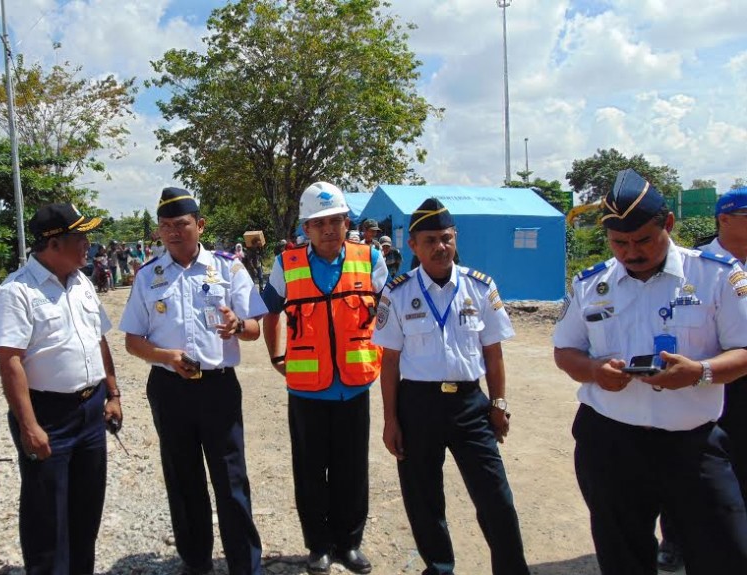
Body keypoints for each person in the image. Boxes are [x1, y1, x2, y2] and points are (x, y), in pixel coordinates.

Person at [553, 169, 747, 575]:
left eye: (643, 240)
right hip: (610, 443)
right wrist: (592, 369)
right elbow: (564, 350)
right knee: (623, 557)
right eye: (619, 242)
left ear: (669, 225)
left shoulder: (716, 275)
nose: (631, 252)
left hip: (691, 447)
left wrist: (700, 372)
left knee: (725, 554)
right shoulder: (591, 283)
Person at [372, 198, 530, 575]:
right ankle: (440, 567)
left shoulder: (479, 287)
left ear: (455, 238)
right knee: (423, 498)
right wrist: (391, 420)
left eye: (446, 238)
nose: (440, 247)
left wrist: (499, 403)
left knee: (496, 497)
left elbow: (493, 354)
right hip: (418, 406)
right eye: (430, 240)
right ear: (413, 246)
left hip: (469, 405)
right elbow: (389, 362)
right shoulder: (396, 292)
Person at [119, 187, 266, 575]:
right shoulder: (148, 276)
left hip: (218, 387)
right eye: (165, 226)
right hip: (170, 390)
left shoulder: (229, 268)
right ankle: (196, 561)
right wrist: (166, 357)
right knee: (183, 480)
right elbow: (133, 341)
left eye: (181, 224)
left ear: (199, 225)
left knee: (231, 479)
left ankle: (245, 565)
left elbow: (254, 328)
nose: (173, 232)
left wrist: (237, 325)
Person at [262, 181, 387, 575]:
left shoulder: (369, 258)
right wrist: (277, 354)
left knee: (352, 470)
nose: (329, 229)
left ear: (347, 221)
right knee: (310, 471)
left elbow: (389, 310)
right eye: (319, 223)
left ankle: (349, 544)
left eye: (335, 221)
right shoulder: (287, 263)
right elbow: (269, 312)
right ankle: (318, 545)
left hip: (354, 386)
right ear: (306, 228)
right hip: (306, 390)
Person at [0, 203, 122, 575]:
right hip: (47, 415)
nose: (87, 244)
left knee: (85, 511)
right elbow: (10, 362)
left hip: (90, 410)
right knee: (47, 516)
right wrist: (29, 426)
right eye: (80, 237)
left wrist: (113, 394)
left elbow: (99, 339)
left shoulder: (81, 282)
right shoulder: (16, 292)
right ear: (53, 243)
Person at [656, 186, 747, 572]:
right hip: (703, 380)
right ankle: (675, 538)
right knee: (688, 464)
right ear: (725, 219)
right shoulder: (698, 265)